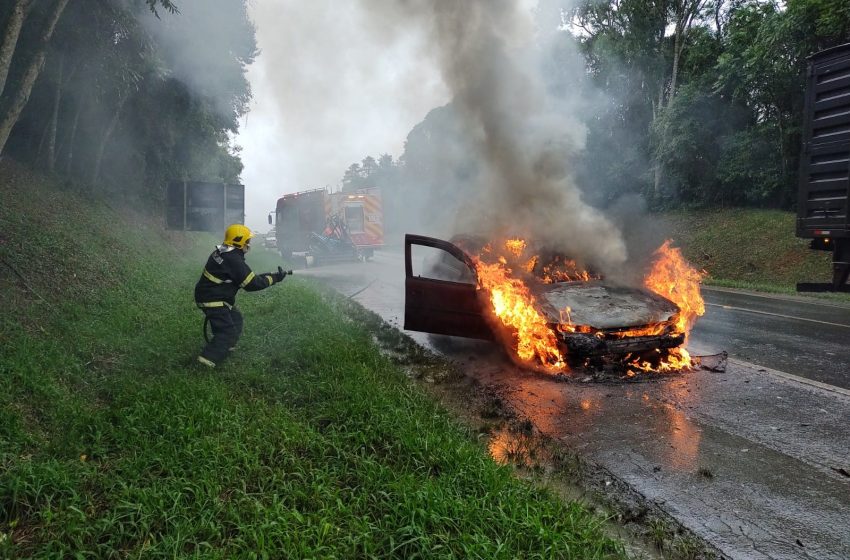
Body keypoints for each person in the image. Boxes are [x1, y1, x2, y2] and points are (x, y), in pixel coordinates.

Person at [194, 224, 288, 367]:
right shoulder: (233, 259)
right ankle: (205, 361)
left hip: (212, 295)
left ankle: (225, 347)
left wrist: (272, 275)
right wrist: (274, 279)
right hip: (212, 299)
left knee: (235, 319)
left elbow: (247, 277)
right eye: (247, 242)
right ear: (239, 242)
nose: (248, 245)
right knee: (227, 331)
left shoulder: (224, 252)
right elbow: (252, 284)